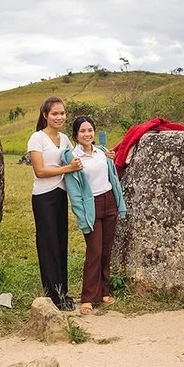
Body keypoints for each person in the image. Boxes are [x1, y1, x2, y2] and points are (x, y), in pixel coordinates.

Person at [61, 116, 127, 315]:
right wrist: (82, 217)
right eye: (82, 131)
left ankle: (104, 291)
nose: (87, 134)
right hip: (92, 207)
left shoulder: (101, 152)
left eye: (90, 130)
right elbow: (74, 191)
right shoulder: (73, 158)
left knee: (106, 249)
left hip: (109, 202)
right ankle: (88, 297)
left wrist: (119, 203)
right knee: (94, 251)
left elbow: (112, 178)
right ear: (75, 135)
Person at [27, 96, 82, 311]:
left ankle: (63, 292)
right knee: (48, 244)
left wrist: (103, 153)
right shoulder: (37, 138)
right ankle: (52, 295)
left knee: (61, 243)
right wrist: (66, 169)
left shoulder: (65, 138)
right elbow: (40, 171)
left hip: (60, 194)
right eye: (55, 114)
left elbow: (77, 157)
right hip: (43, 196)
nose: (59, 117)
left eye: (62, 113)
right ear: (45, 115)